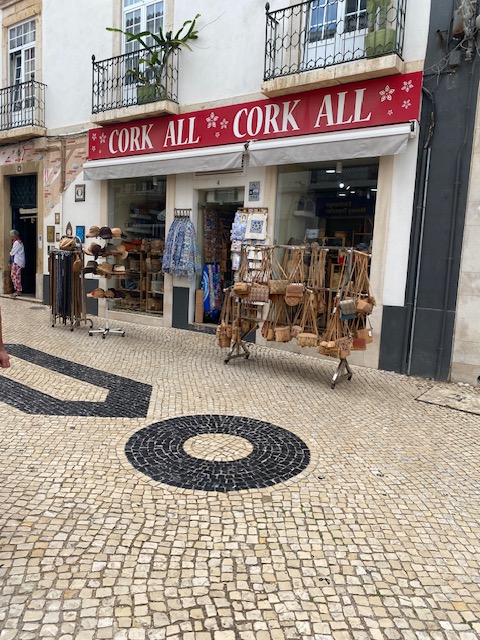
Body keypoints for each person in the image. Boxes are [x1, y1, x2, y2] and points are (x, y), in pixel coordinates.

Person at [9, 229, 25, 298]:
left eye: (11, 236)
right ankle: (17, 289)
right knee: (14, 275)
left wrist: (10, 254)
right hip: (17, 261)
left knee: (16, 276)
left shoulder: (17, 243)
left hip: (17, 261)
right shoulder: (18, 242)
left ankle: (18, 290)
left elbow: (12, 252)